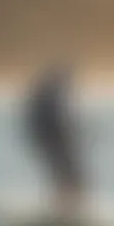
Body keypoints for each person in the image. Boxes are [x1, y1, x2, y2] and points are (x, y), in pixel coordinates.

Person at [25, 63, 85, 216]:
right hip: (52, 141)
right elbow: (53, 124)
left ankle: (64, 210)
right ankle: (64, 211)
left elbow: (55, 123)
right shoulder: (48, 97)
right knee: (69, 176)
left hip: (50, 140)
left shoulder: (46, 96)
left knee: (66, 175)